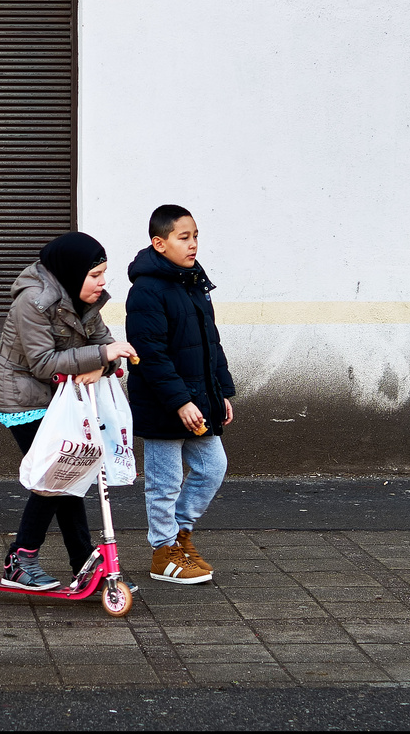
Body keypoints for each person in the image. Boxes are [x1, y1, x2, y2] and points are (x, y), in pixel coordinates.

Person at [0, 231, 139, 590]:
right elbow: (42, 362)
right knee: (58, 476)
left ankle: (83, 563)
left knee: (69, 477)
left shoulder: (85, 298)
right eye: (96, 275)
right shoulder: (35, 301)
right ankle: (19, 558)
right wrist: (102, 358)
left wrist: (102, 362)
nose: (103, 283)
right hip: (22, 399)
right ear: (73, 272)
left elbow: (104, 344)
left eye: (104, 274)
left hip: (59, 397)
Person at [125, 204, 235, 584]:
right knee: (165, 481)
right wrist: (181, 401)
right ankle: (163, 553)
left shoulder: (193, 281)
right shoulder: (146, 291)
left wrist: (221, 393)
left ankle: (180, 536)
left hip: (200, 399)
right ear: (159, 243)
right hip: (164, 405)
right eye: (183, 237)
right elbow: (150, 355)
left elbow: (210, 344)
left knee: (212, 468)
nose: (192, 245)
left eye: (196, 236)